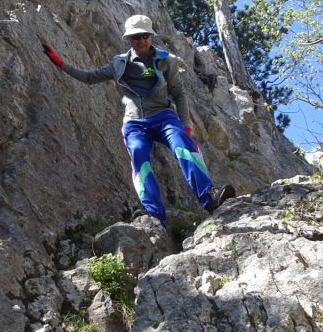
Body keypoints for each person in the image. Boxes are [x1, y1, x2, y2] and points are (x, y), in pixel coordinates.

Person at [42, 13, 235, 226]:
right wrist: (61, 64)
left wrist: (186, 124)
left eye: (144, 36)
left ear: (150, 36)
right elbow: (89, 77)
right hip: (134, 123)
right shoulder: (118, 63)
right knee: (139, 157)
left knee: (183, 146)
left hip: (164, 117)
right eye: (135, 37)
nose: (140, 40)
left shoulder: (166, 61)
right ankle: (154, 215)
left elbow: (178, 93)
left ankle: (210, 197)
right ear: (128, 39)